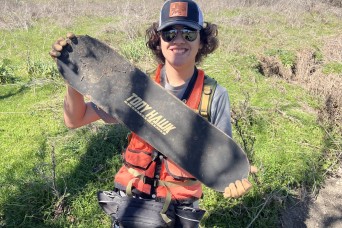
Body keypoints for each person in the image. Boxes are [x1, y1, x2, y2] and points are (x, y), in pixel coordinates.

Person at [50, 0, 256, 227]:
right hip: (128, 206)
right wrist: (74, 77)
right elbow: (75, 119)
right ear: (158, 40)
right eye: (169, 33)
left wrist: (236, 182)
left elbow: (222, 161)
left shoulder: (214, 96)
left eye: (188, 33)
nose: (178, 39)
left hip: (177, 214)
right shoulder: (133, 86)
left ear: (202, 41)